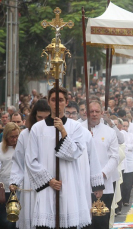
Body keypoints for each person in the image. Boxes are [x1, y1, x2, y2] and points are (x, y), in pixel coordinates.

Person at [25, 87, 91, 229]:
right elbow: (30, 160)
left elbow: (75, 153)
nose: (57, 103)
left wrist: (63, 131)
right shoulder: (37, 128)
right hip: (47, 187)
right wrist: (49, 180)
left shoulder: (76, 127)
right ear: (48, 102)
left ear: (66, 102)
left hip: (68, 186)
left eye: (60, 100)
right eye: (53, 100)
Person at [9, 99, 51, 229]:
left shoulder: (54, 134)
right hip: (30, 184)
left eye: (46, 117)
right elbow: (18, 161)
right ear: (34, 116)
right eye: (39, 117)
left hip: (50, 184)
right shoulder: (25, 136)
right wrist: (15, 181)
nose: (42, 121)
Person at [65, 101, 105, 227]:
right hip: (63, 181)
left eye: (73, 113)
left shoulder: (85, 133)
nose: (70, 116)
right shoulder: (55, 131)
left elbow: (93, 159)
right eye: (67, 113)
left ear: (78, 114)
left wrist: (97, 185)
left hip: (81, 180)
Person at [82, 99, 119, 229]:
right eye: (91, 111)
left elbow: (115, 157)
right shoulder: (79, 129)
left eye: (97, 111)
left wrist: (102, 174)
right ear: (86, 112)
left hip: (104, 184)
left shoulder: (109, 132)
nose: (94, 114)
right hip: (82, 184)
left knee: (101, 224)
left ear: (102, 112)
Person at [0, 122, 20, 229]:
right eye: (12, 137)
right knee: (5, 221)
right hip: (5, 190)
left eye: (17, 136)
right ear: (6, 136)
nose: (15, 139)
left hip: (19, 189)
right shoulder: (0, 149)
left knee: (17, 220)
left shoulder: (21, 148)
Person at [116, 119, 133, 212]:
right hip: (122, 162)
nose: (124, 128)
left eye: (126, 126)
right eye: (123, 126)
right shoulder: (119, 135)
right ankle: (121, 201)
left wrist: (127, 146)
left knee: (128, 183)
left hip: (130, 160)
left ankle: (126, 200)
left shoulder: (131, 135)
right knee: (121, 183)